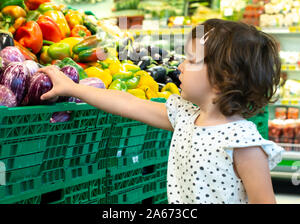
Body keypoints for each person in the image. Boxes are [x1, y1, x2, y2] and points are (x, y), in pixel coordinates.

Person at [38, 19, 284, 204]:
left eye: (191, 60)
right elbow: (127, 103)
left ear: (224, 76)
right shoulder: (186, 116)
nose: (180, 66)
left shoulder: (243, 143)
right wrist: (74, 88)